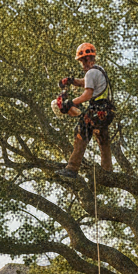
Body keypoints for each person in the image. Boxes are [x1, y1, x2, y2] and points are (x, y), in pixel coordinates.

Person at [54, 42, 115, 177]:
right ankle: (107, 170)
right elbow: (85, 82)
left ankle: (72, 168)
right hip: (107, 111)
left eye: (82, 61)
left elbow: (87, 94)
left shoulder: (91, 73)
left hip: (98, 108)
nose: (82, 64)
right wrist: (71, 80)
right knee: (102, 137)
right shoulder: (99, 70)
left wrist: (70, 103)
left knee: (81, 131)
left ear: (86, 59)